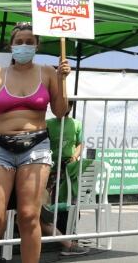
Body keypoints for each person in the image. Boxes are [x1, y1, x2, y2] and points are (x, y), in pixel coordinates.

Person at [0, 22, 72, 263]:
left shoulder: (48, 73)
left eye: (30, 42)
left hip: (36, 148)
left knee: (29, 216)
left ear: (37, 45)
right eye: (19, 41)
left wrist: (63, 81)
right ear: (11, 45)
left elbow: (61, 111)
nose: (24, 46)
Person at [42, 107, 88, 255]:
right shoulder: (47, 123)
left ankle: (69, 240)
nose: (60, 106)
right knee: (47, 206)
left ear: (70, 107)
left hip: (68, 170)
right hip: (48, 170)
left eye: (65, 104)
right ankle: (53, 239)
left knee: (70, 205)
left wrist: (74, 157)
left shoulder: (76, 124)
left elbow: (81, 144)